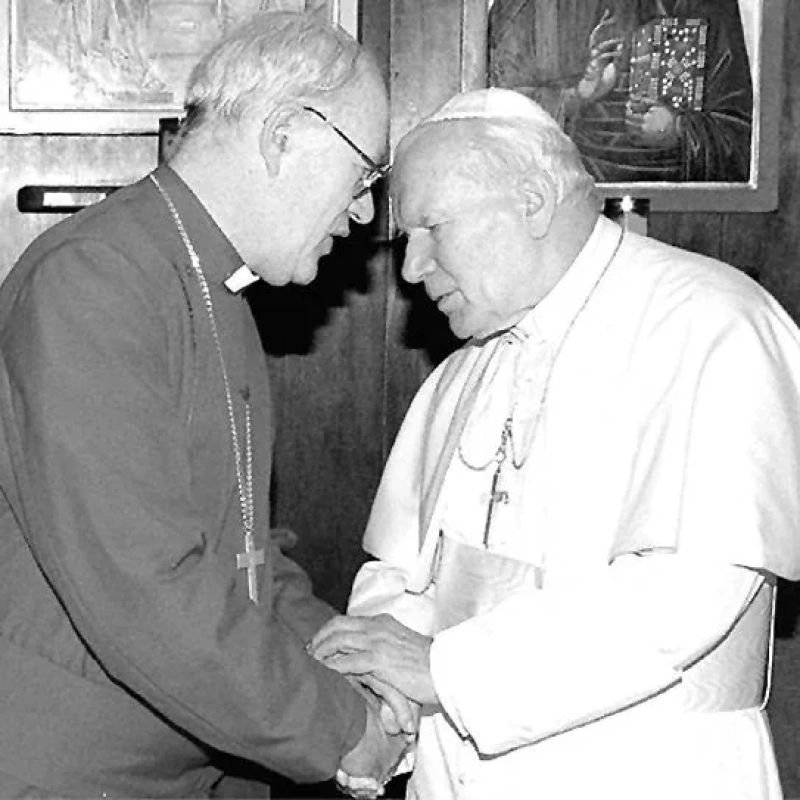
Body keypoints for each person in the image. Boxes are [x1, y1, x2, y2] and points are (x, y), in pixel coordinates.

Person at [309, 87, 800, 799]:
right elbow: (405, 574)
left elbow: (688, 596)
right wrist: (387, 708)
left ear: (533, 200)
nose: (410, 269)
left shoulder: (712, 324)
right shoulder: (465, 369)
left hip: (644, 773)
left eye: (431, 229)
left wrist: (443, 672)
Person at [0, 10, 412, 798]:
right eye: (364, 177)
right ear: (285, 133)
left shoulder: (206, 279)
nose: (363, 214)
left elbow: (242, 551)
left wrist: (341, 650)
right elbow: (147, 588)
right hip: (71, 771)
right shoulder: (98, 278)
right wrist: (340, 729)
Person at [488, 0, 753, 182]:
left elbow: (741, 135)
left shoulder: (704, 5)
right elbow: (495, 119)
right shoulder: (527, 7)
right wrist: (577, 96)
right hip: (565, 194)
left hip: (677, 207)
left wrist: (678, 130)